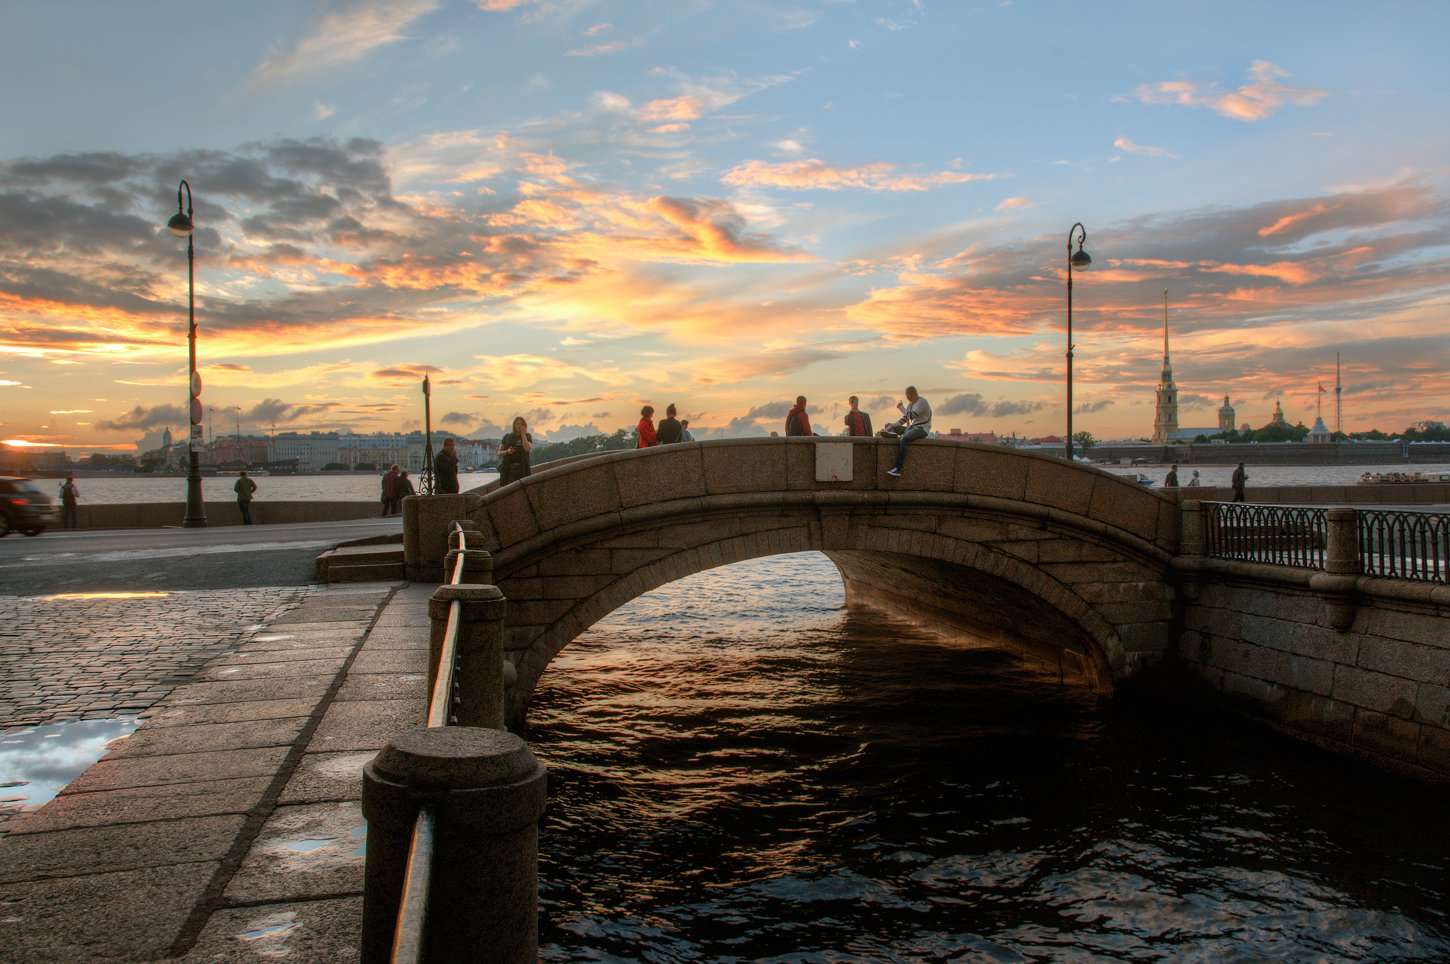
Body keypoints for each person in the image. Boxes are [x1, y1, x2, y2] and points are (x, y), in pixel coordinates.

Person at [885, 386, 931, 478]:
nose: (907, 398)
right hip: (911, 428)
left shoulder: (922, 402)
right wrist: (892, 426)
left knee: (904, 439)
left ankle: (897, 468)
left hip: (921, 429)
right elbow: (905, 418)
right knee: (889, 425)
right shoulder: (910, 405)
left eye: (907, 396)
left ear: (912, 394)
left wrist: (901, 408)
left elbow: (910, 416)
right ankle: (893, 434)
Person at [499, 416, 533, 485]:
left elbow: (527, 449)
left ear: (524, 426)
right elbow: (499, 452)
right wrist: (507, 451)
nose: (519, 426)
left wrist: (523, 435)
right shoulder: (507, 437)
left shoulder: (527, 436)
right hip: (509, 469)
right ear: (514, 425)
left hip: (523, 468)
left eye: (521, 424)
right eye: (517, 424)